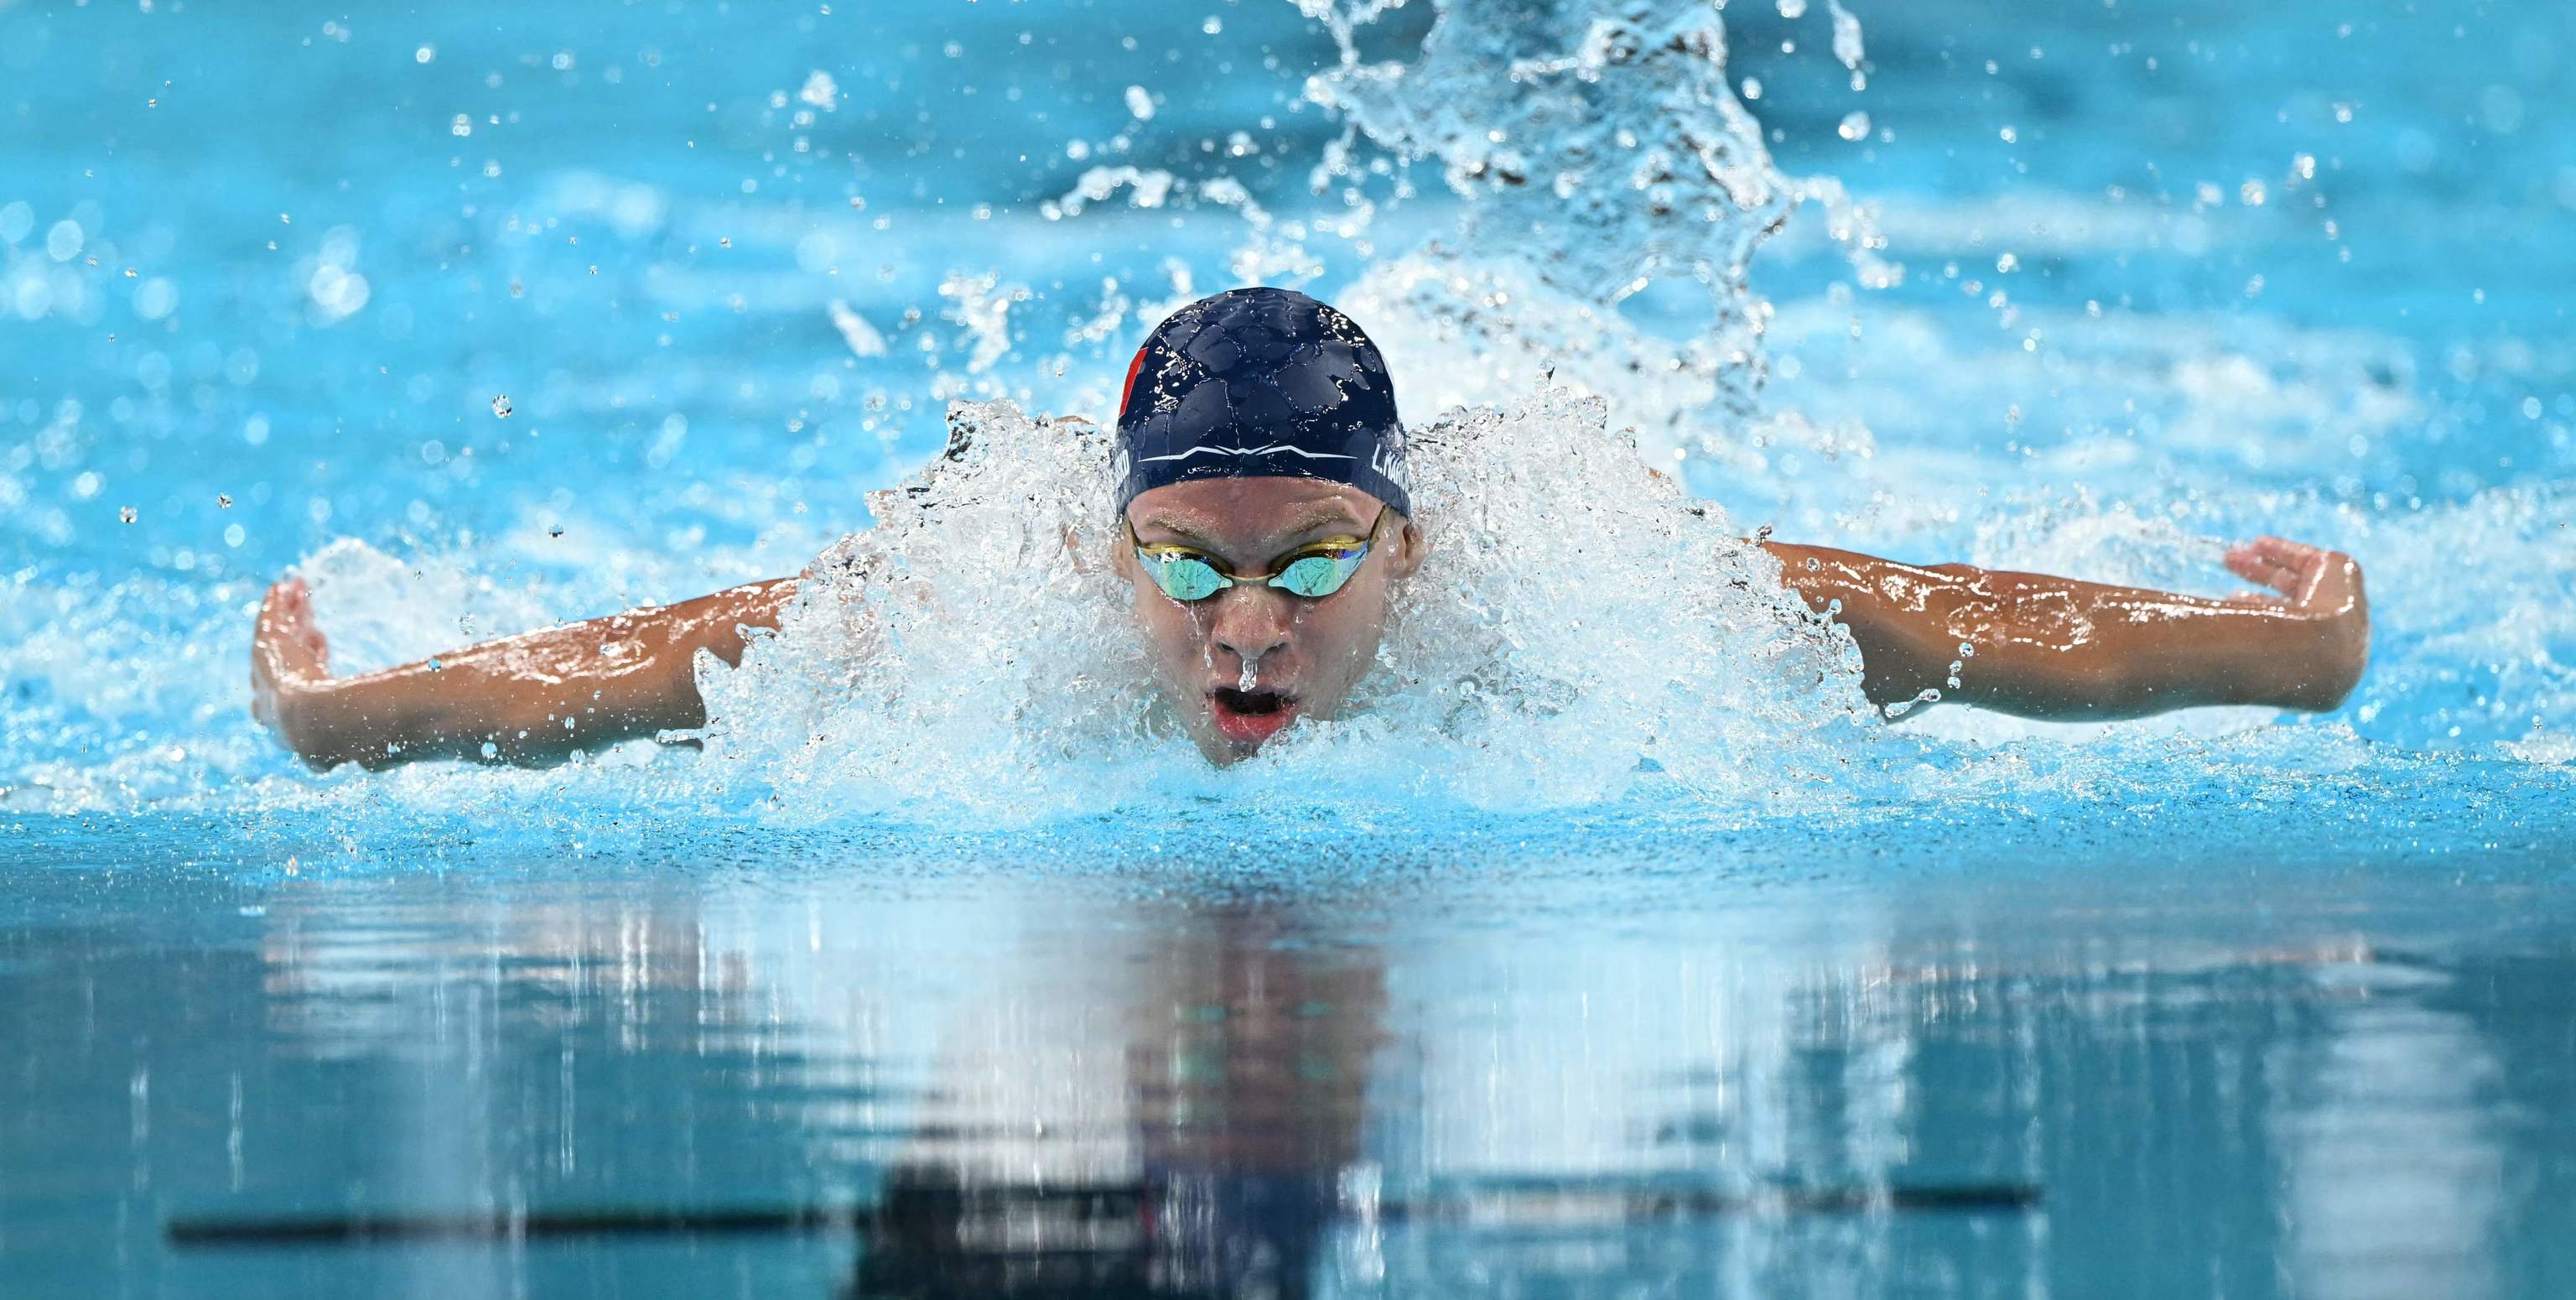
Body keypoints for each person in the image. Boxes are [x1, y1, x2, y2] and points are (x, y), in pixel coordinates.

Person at [249, 287, 2370, 772]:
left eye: (1307, 564)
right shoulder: (985, 607)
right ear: (1113, 548)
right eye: (1186, 563)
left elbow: (1969, 625)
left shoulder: (1588, 589)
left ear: (1409, 552)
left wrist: (2297, 647)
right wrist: (343, 719)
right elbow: (653, 666)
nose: (1242, 622)